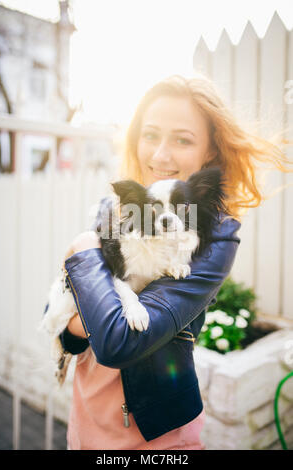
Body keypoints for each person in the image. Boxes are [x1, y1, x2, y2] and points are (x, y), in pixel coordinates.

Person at [59, 75, 292, 450]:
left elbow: (119, 343)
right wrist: (82, 321)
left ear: (211, 151)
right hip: (85, 426)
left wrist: (86, 250)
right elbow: (65, 334)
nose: (160, 155)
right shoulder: (113, 208)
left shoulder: (213, 236)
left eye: (183, 139)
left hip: (156, 438)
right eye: (150, 135)